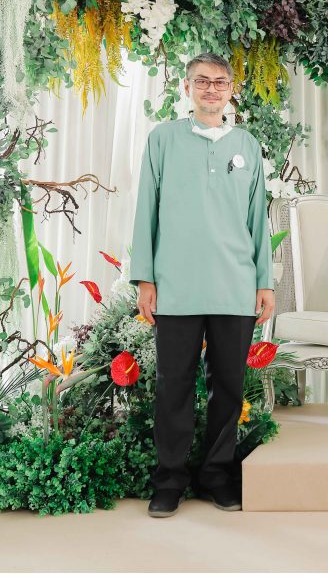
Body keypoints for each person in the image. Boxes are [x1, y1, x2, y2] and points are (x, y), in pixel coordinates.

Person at [129, 53, 275, 518]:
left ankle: (216, 476)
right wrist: (145, 277)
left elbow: (257, 218)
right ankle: (169, 480)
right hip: (176, 284)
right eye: (202, 81)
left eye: (220, 82)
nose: (212, 89)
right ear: (187, 87)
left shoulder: (247, 145)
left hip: (235, 283)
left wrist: (264, 282)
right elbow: (146, 209)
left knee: (228, 387)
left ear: (232, 89)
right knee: (173, 386)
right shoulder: (163, 139)